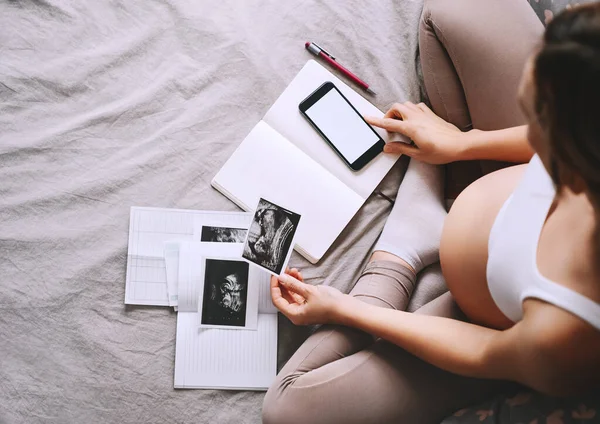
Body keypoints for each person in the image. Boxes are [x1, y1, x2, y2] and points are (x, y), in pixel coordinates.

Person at [262, 1, 600, 423]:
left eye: (535, 122)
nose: (528, 131)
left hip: (486, 325)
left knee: (289, 409)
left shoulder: (567, 334)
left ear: (573, 165)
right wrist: (463, 142)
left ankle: (402, 251)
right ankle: (444, 197)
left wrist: (343, 308)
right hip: (510, 197)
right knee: (454, 9)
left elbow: (485, 352)